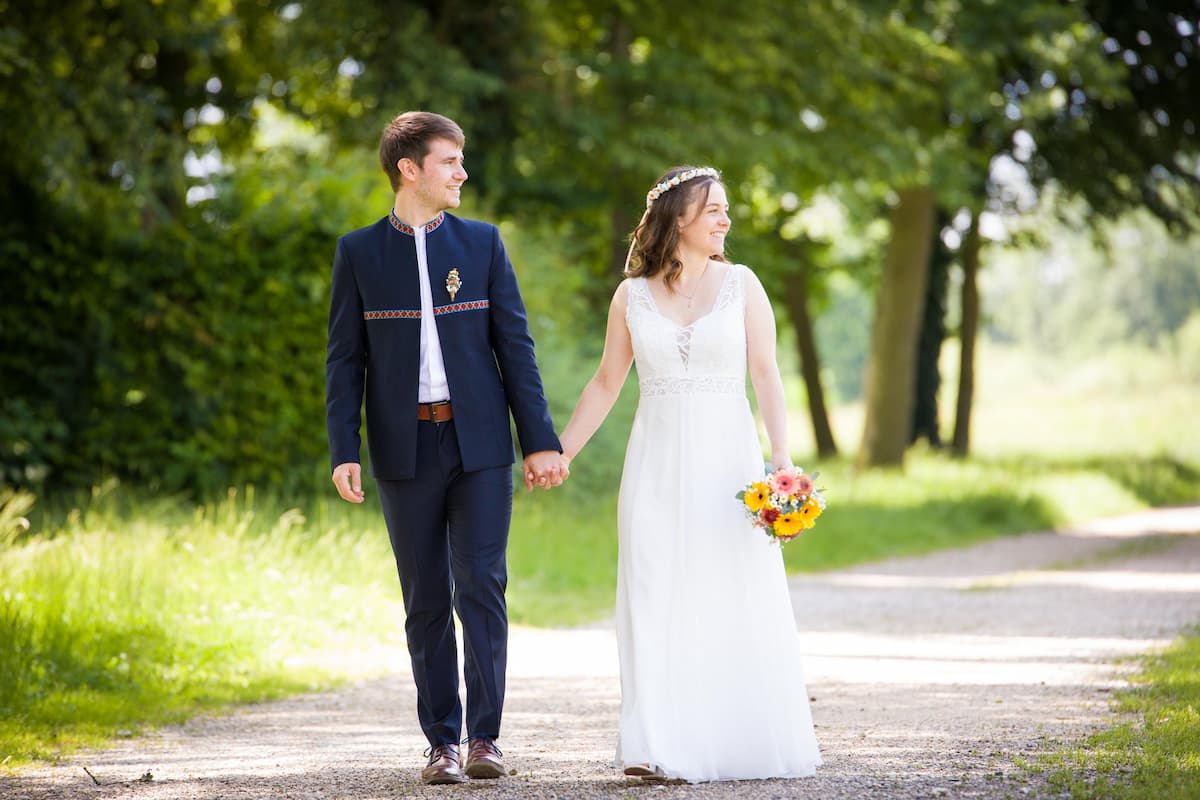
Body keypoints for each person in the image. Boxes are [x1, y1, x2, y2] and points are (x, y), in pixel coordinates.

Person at [325, 111, 568, 785]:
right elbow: (344, 361)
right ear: (409, 169)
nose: (462, 173)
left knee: (482, 584)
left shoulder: (483, 244)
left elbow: (515, 350)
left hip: (481, 444)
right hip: (405, 448)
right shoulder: (359, 252)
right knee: (425, 595)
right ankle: (443, 744)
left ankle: (485, 738)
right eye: (449, 162)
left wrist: (539, 441)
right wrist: (343, 447)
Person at [558, 166, 822, 783]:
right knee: (651, 589)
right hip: (653, 460)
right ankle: (651, 744)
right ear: (679, 218)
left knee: (724, 587)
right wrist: (561, 451)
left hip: (727, 462)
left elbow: (766, 374)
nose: (726, 220)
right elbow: (605, 383)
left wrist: (781, 457)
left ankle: (726, 737)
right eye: (714, 211)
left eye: (726, 210)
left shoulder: (744, 285)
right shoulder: (631, 296)